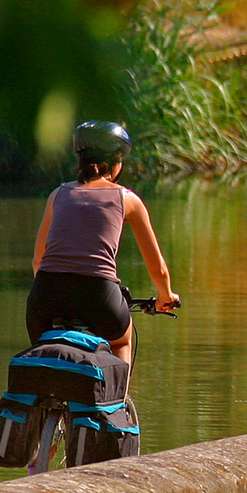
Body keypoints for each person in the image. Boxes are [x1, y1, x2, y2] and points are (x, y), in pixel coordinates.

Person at [27, 121, 180, 368]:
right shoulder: (127, 199)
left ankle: (43, 400)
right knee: (122, 339)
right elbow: (157, 268)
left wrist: (54, 289)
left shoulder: (58, 194)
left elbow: (38, 260)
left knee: (44, 358)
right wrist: (166, 296)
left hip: (44, 297)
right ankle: (117, 401)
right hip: (98, 297)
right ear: (114, 165)